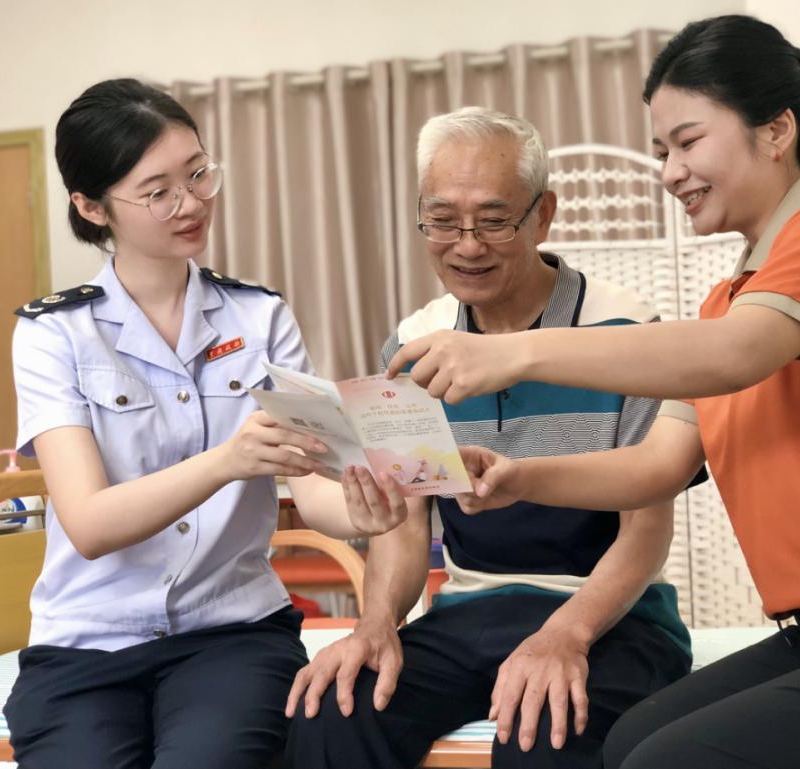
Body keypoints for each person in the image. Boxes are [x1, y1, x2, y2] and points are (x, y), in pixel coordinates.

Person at [386, 17, 800, 769]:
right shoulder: (727, 305)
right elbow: (656, 465)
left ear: (775, 131)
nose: (669, 172)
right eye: (662, 150)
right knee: (628, 743)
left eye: (687, 142)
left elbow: (735, 355)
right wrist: (517, 478)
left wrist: (511, 353)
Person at [283, 107, 702, 769]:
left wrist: (563, 635)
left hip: (610, 619)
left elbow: (645, 532)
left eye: (493, 220)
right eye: (442, 220)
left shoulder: (627, 331)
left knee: (544, 733)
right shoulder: (415, 341)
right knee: (333, 713)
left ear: (543, 215)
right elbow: (406, 523)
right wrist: (376, 625)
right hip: (467, 612)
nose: (467, 245)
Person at [5, 78, 403, 769]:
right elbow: (90, 524)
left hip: (232, 633)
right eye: (157, 191)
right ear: (91, 206)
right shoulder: (53, 334)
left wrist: (369, 509)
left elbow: (312, 485)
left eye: (197, 174)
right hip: (85, 643)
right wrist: (228, 460)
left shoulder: (260, 317)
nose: (191, 203)